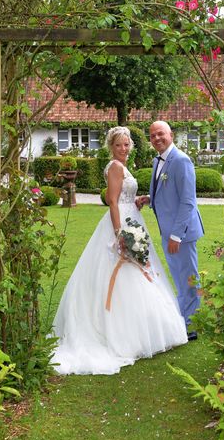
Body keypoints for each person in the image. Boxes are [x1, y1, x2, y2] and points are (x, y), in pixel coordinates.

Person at [50, 126, 187, 375]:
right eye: (119, 145)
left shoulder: (123, 167)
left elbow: (124, 196)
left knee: (141, 272)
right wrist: (119, 234)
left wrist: (138, 200)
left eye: (126, 144)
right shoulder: (114, 166)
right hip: (121, 223)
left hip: (132, 217)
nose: (123, 148)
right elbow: (113, 200)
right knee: (126, 273)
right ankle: (127, 335)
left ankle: (146, 328)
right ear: (111, 147)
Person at [136, 120, 204, 341]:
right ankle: (183, 318)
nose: (157, 138)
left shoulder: (181, 161)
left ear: (171, 134)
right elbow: (166, 193)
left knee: (188, 278)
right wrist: (148, 199)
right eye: (153, 135)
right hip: (169, 232)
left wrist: (176, 235)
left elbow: (187, 202)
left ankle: (191, 325)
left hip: (180, 234)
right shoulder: (159, 161)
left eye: (160, 134)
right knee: (178, 276)